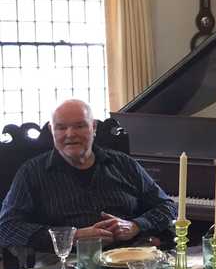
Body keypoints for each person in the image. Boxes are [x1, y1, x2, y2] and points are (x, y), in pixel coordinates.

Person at [0, 99, 177, 254]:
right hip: (62, 265)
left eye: (79, 126)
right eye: (61, 127)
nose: (70, 134)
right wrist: (72, 236)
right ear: (51, 130)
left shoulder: (124, 164)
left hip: (127, 258)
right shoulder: (31, 173)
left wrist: (136, 225)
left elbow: (167, 207)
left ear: (93, 127)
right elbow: (7, 227)